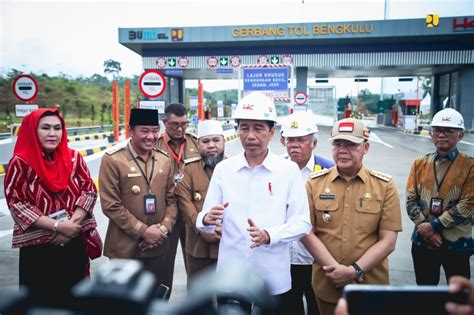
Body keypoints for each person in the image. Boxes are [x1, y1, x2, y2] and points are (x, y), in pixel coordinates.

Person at [196, 92, 312, 315]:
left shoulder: (287, 171)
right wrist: (207, 218)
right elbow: (204, 220)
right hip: (231, 277)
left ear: (271, 132)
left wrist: (269, 235)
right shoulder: (224, 170)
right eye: (244, 127)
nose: (250, 135)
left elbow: (302, 223)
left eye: (258, 128)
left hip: (273, 277)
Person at [301, 118, 402, 315]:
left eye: (351, 144)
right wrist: (336, 271)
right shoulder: (314, 184)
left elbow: (388, 241)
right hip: (328, 282)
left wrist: (353, 271)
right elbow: (306, 232)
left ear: (366, 148)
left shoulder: (384, 186)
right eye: (338, 144)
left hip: (370, 284)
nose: (343, 150)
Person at [4, 108, 99, 307]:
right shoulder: (20, 162)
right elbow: (17, 203)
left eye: (57, 128)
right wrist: (57, 226)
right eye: (45, 128)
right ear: (33, 130)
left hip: (73, 241)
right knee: (41, 302)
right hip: (38, 249)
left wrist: (70, 226)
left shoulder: (74, 158)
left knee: (75, 300)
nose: (52, 133)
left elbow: (89, 190)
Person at [99, 108, 177, 297]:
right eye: (144, 131)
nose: (151, 136)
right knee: (124, 304)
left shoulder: (164, 159)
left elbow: (172, 199)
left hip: (157, 246)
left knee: (154, 300)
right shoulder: (113, 159)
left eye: (154, 130)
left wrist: (163, 230)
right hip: (124, 247)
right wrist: (143, 231)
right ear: (131, 131)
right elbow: (111, 205)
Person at [405, 108, 472, 285]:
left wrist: (434, 226)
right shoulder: (419, 164)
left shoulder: (470, 166)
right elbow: (411, 201)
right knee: (425, 294)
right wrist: (425, 230)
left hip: (457, 242)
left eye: (449, 130)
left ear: (460, 135)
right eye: (437, 130)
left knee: (459, 296)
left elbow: (469, 203)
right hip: (423, 242)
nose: (441, 135)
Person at [280, 111, 334, 315]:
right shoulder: (276, 169)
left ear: (314, 142)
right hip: (284, 259)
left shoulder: (329, 171)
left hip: (316, 260)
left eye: (301, 140)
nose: (294, 145)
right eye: (290, 140)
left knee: (317, 308)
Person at [175, 120, 225, 285]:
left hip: (228, 244)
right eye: (205, 141)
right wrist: (203, 229)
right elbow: (185, 204)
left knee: (229, 294)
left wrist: (221, 228)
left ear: (224, 141)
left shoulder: (234, 167)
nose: (211, 145)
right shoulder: (188, 169)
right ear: (198, 144)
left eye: (216, 140)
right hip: (198, 246)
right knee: (199, 297)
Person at [156, 103, 200, 281]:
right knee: (164, 265)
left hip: (192, 211)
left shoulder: (195, 142)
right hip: (166, 212)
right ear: (165, 122)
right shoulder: (156, 144)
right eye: (175, 124)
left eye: (184, 124)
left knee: (195, 263)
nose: (180, 128)